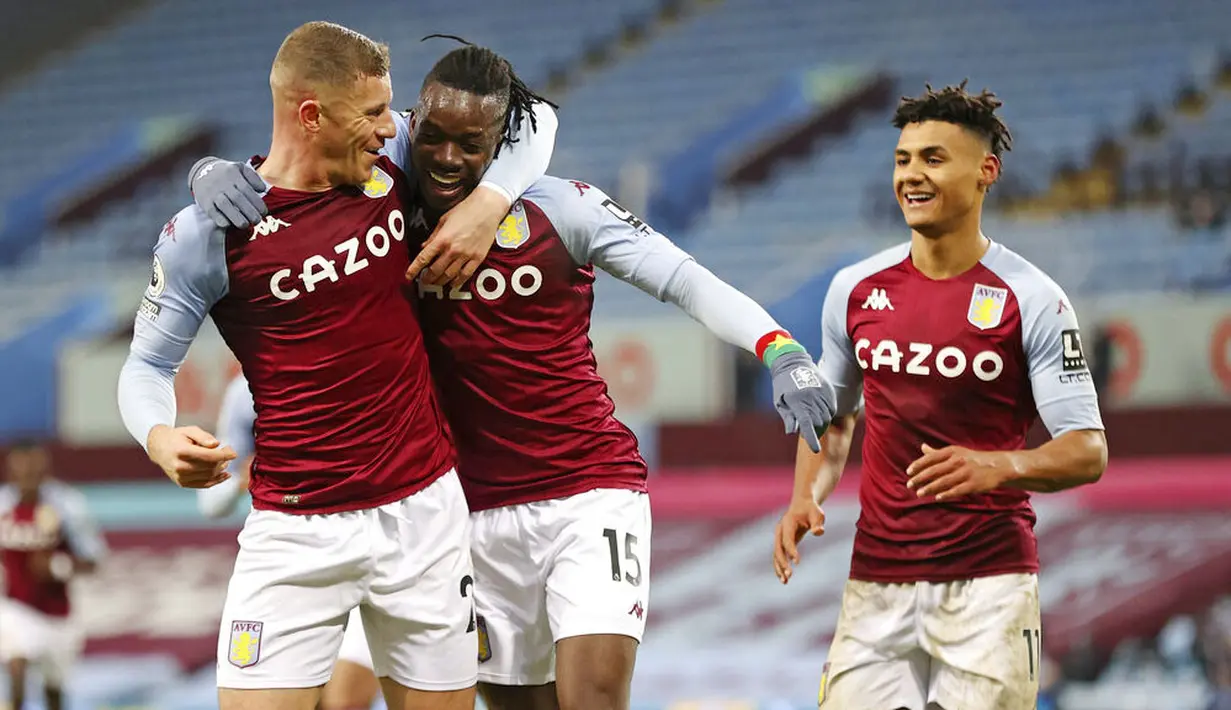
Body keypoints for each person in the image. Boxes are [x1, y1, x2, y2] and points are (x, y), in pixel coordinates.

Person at [193, 40, 837, 710]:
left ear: (502, 141)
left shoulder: (566, 208)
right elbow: (298, 168)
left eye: (471, 144)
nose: (446, 157)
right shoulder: (384, 212)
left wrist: (779, 350)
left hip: (587, 492)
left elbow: (683, 280)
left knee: (591, 697)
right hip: (463, 516)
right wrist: (212, 172)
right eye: (432, 138)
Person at [116, 22, 555, 710]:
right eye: (374, 113)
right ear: (311, 115)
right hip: (295, 532)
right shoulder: (207, 235)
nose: (394, 128)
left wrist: (488, 205)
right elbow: (145, 367)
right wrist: (159, 436)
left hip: (425, 515)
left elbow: (537, 120)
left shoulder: (395, 165)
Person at [770, 82, 1108, 710]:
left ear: (987, 172)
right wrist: (804, 496)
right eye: (903, 160)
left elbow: (1088, 451)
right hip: (875, 581)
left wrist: (1001, 465)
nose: (912, 175)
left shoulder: (1032, 298)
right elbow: (836, 414)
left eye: (932, 158)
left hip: (991, 587)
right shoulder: (854, 289)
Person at [200, 375, 379, 710]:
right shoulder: (245, 391)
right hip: (287, 560)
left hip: (370, 546)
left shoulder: (375, 364)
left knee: (344, 701)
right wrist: (243, 478)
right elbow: (211, 502)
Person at [0, 440, 107, 710]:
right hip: (16, 606)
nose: (27, 479)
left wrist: (59, 565)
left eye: (33, 472)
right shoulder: (2, 506)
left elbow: (94, 559)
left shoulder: (67, 506)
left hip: (58, 615)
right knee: (17, 663)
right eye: (20, 472)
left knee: (54, 691)